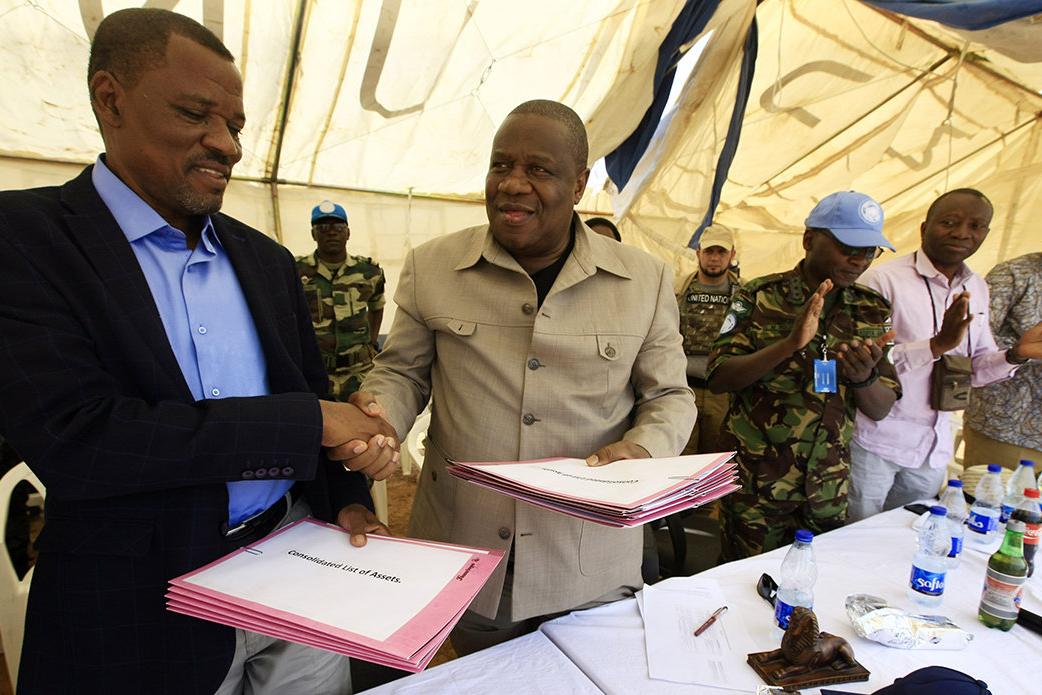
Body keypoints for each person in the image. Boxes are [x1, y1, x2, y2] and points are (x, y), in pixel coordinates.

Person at [0, 9, 398, 694]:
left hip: (295, 564)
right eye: (195, 114)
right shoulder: (24, 240)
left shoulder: (266, 259)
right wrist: (311, 422)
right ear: (110, 99)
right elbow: (79, 437)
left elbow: (308, 389)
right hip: (138, 612)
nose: (227, 145)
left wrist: (348, 495)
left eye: (236, 126)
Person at [358, 99, 695, 654]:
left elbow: (671, 397)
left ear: (579, 183)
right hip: (465, 550)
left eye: (538, 169)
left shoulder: (645, 280)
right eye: (501, 165)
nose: (513, 184)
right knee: (482, 676)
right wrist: (379, 418)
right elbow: (401, 372)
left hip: (588, 559)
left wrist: (644, 449)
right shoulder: (432, 266)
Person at [708, 191, 900, 560]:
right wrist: (789, 344)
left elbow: (881, 408)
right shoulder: (759, 296)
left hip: (826, 489)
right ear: (809, 240)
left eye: (870, 251)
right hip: (758, 487)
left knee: (810, 582)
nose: (859, 260)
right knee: (741, 578)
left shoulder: (871, 309)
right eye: (849, 247)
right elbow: (719, 377)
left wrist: (863, 378)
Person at [849, 190, 1042, 520]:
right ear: (924, 228)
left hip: (932, 449)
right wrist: (936, 345)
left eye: (975, 226)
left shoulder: (977, 287)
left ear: (986, 234)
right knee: (855, 533)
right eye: (950, 223)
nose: (962, 233)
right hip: (876, 442)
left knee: (908, 534)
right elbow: (862, 361)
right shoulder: (882, 280)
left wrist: (1015, 354)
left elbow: (976, 369)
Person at [297, 201, 386, 400]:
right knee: (319, 420)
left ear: (348, 233)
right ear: (313, 234)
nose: (331, 232)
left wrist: (372, 343)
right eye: (323, 227)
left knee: (365, 417)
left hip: (359, 373)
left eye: (338, 227)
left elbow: (377, 306)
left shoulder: (368, 271)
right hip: (315, 374)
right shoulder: (296, 271)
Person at [964, 252, 1042, 470]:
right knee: (989, 493)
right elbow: (970, 341)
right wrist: (1024, 352)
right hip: (1007, 433)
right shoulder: (1013, 274)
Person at [676, 224, 741, 456]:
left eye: (721, 252)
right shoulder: (678, 289)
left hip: (722, 393)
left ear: (732, 254)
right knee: (680, 459)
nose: (714, 258)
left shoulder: (744, 294)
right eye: (709, 251)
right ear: (698, 253)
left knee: (716, 459)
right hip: (683, 389)